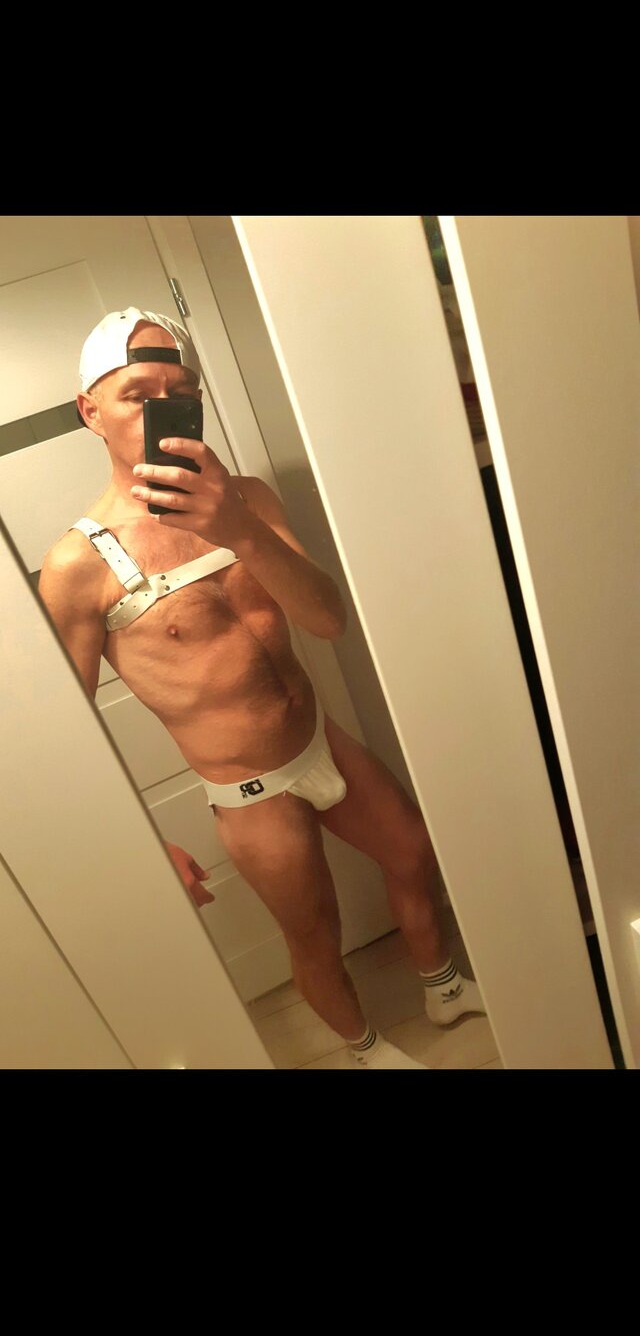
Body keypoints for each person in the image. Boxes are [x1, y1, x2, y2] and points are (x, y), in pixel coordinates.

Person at [39, 307, 486, 1070]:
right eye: (138, 395)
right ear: (91, 411)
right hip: (249, 791)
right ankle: (367, 1050)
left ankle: (443, 988)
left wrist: (239, 528)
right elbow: (69, 737)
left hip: (319, 737)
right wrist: (144, 845)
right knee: (316, 937)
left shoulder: (246, 497)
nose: (165, 410)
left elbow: (328, 619)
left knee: (413, 851)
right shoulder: (78, 566)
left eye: (182, 392)